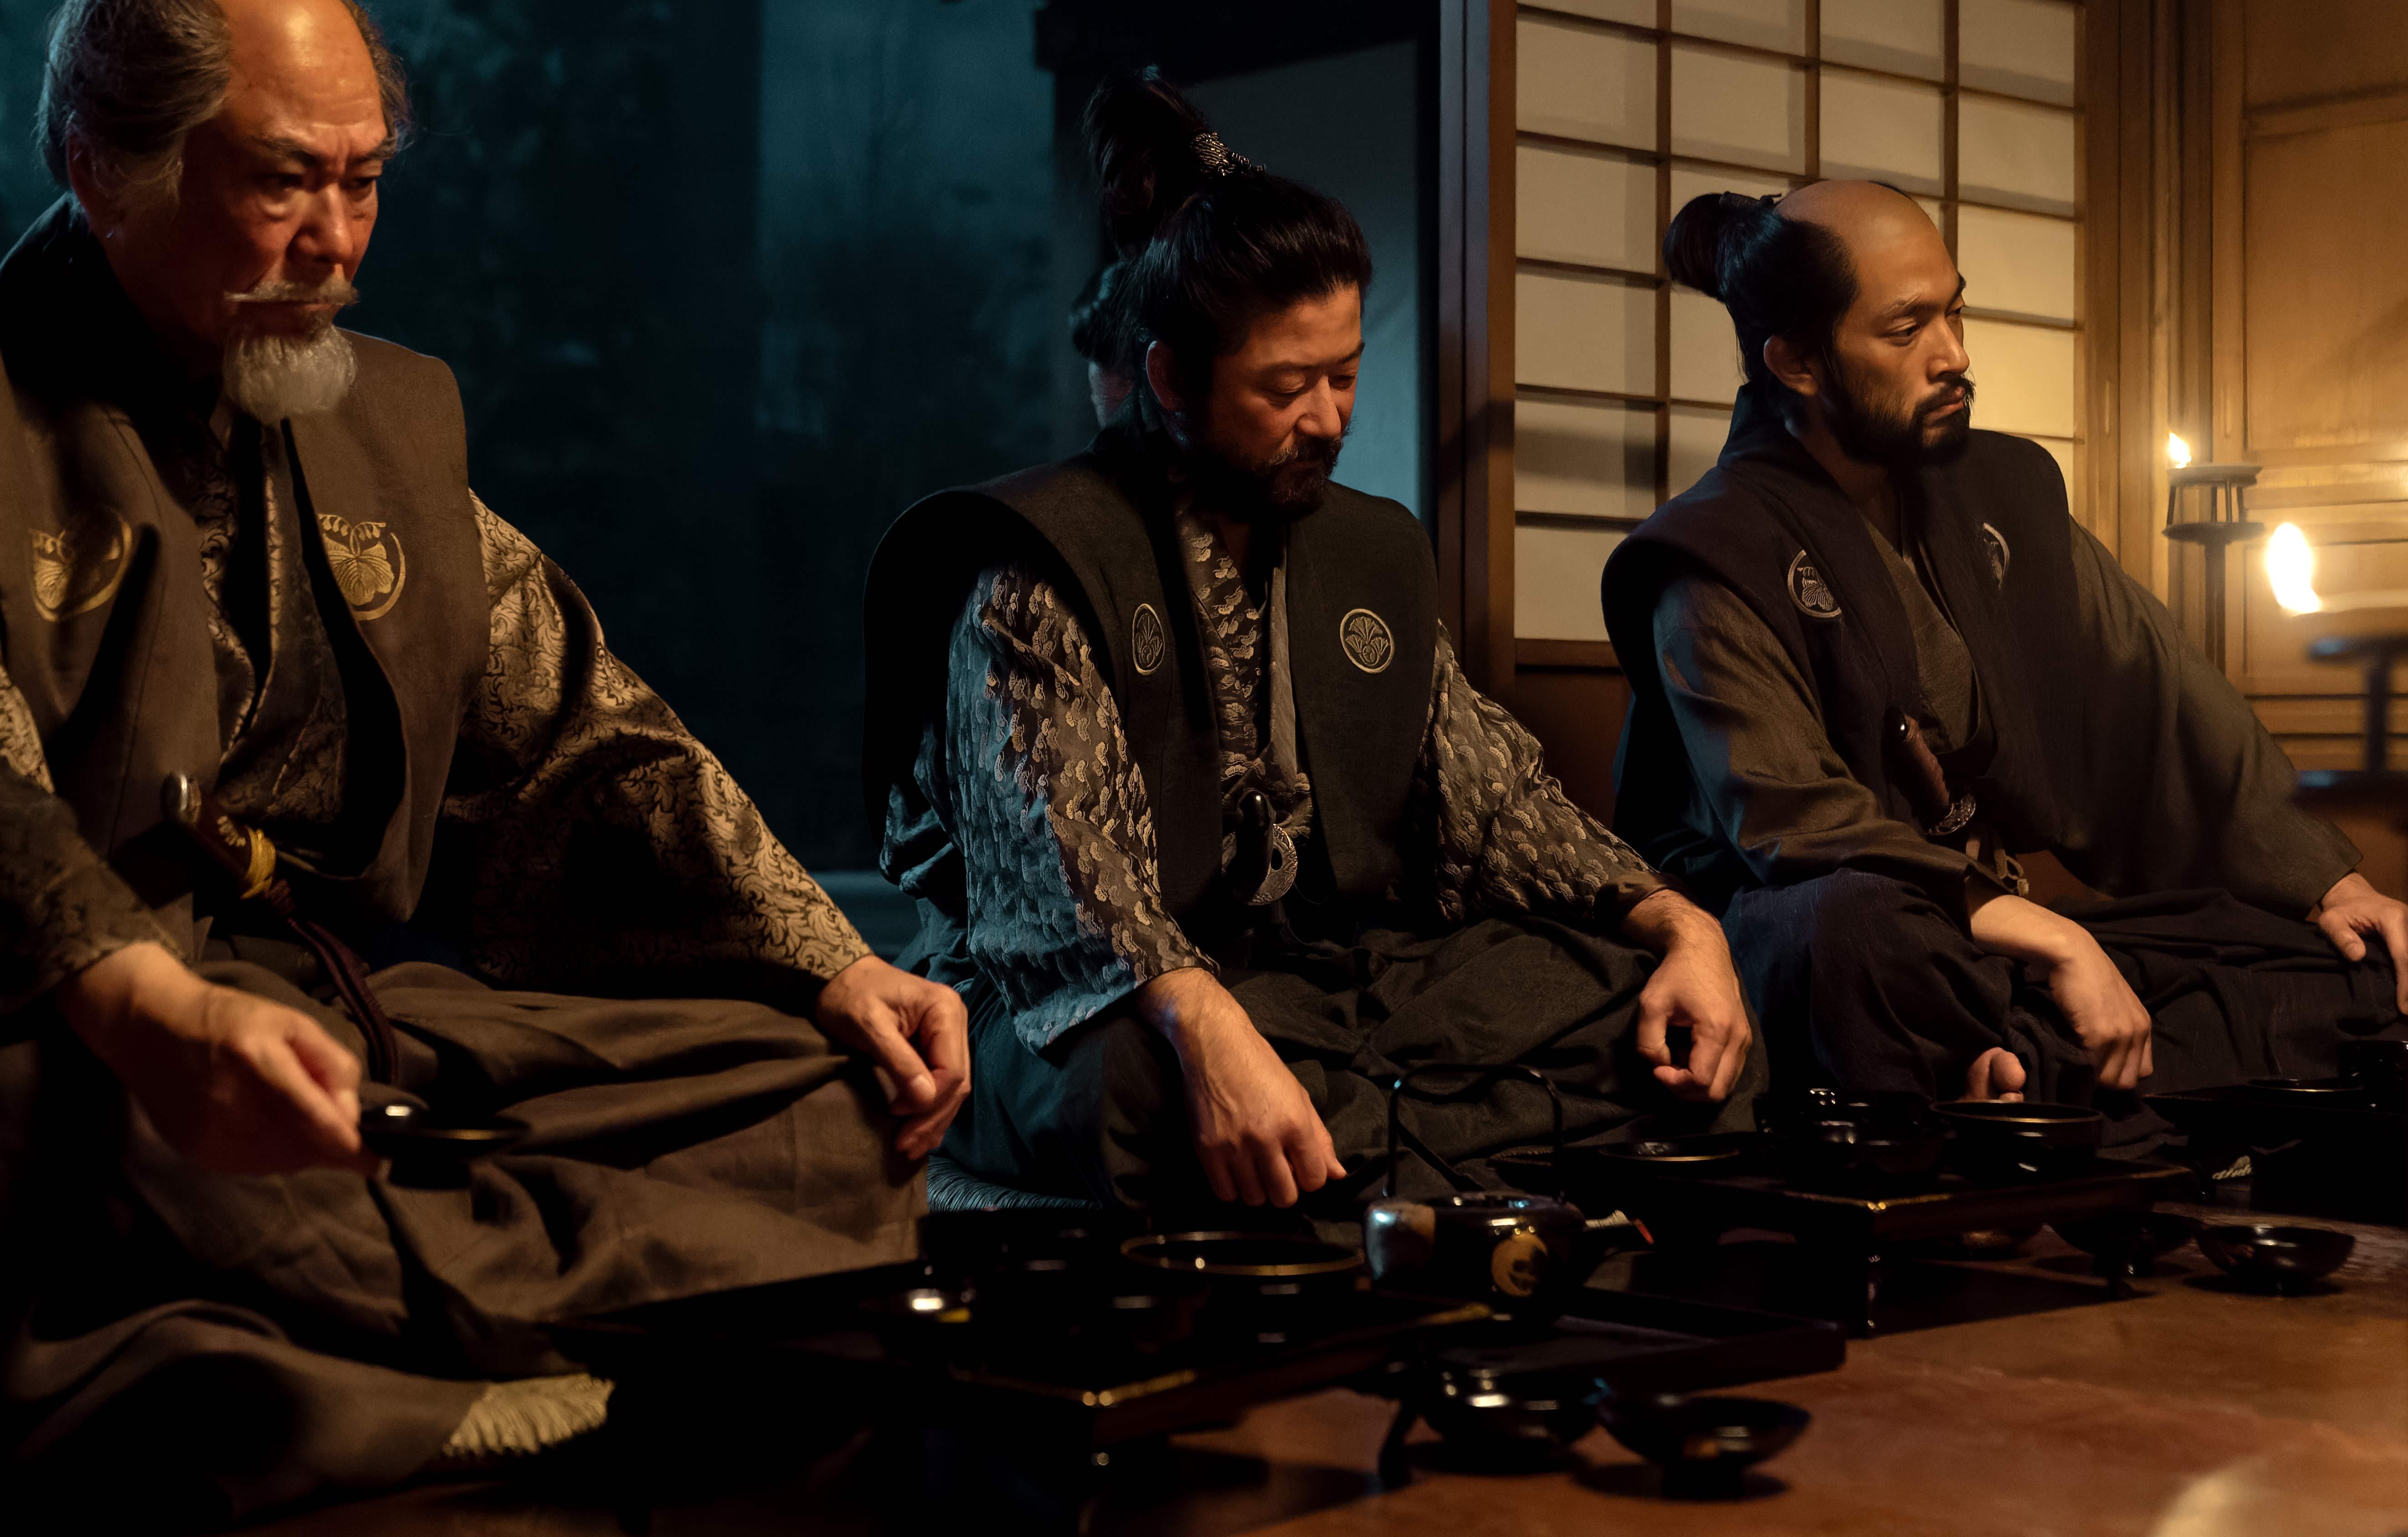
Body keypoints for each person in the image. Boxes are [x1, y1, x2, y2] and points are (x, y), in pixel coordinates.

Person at [0, 0, 966, 1526]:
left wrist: (831, 952)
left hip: (334, 1025)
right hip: (61, 1030)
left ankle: (396, 1338)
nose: (338, 240)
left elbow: (584, 729)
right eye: (283, 180)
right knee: (53, 1146)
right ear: (100, 162)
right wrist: (151, 998)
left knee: (825, 1092)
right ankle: (382, 1363)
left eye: (365, 178)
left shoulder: (371, 416)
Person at [863, 73, 1758, 1220]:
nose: (1330, 420)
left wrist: (1680, 923)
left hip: (1319, 976)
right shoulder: (1041, 566)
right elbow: (1061, 887)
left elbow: (1495, 805)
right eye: (1287, 386)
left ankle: (1340, 1141)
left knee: (1665, 1002)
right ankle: (1428, 1142)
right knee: (1140, 1090)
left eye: (1344, 376)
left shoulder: (1366, 552)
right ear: (1172, 377)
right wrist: (1209, 1027)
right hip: (1088, 998)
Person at [1601, 181, 2408, 1131]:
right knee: (1847, 927)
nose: (1953, 356)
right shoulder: (1711, 551)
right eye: (1906, 331)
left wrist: (2328, 882)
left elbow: (2158, 694)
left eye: (1955, 311)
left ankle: (2016, 1082)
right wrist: (2051, 940)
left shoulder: (1998, 490)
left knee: (2340, 967)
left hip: (1996, 944)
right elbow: (1793, 823)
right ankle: (2034, 1084)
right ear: (1796, 361)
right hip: (1849, 933)